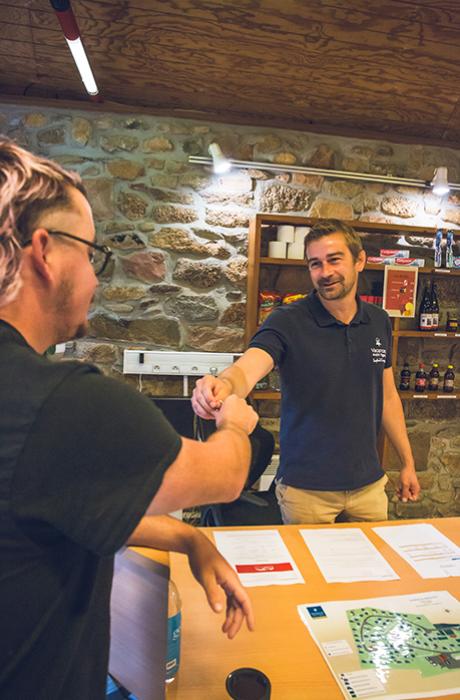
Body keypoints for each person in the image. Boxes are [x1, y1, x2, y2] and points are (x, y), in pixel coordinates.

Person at [0, 137, 258, 700]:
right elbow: (225, 473)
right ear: (44, 251)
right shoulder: (61, 403)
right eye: (92, 255)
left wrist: (189, 538)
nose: (95, 280)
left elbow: (57, 503)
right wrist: (236, 421)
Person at [193, 219, 421, 525]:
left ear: (360, 261)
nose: (325, 272)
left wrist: (407, 462)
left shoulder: (379, 321)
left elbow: (388, 398)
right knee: (311, 573)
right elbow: (248, 369)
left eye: (334, 260)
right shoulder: (288, 320)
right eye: (315, 263)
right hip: (305, 491)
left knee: (372, 572)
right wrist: (224, 384)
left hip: (368, 485)